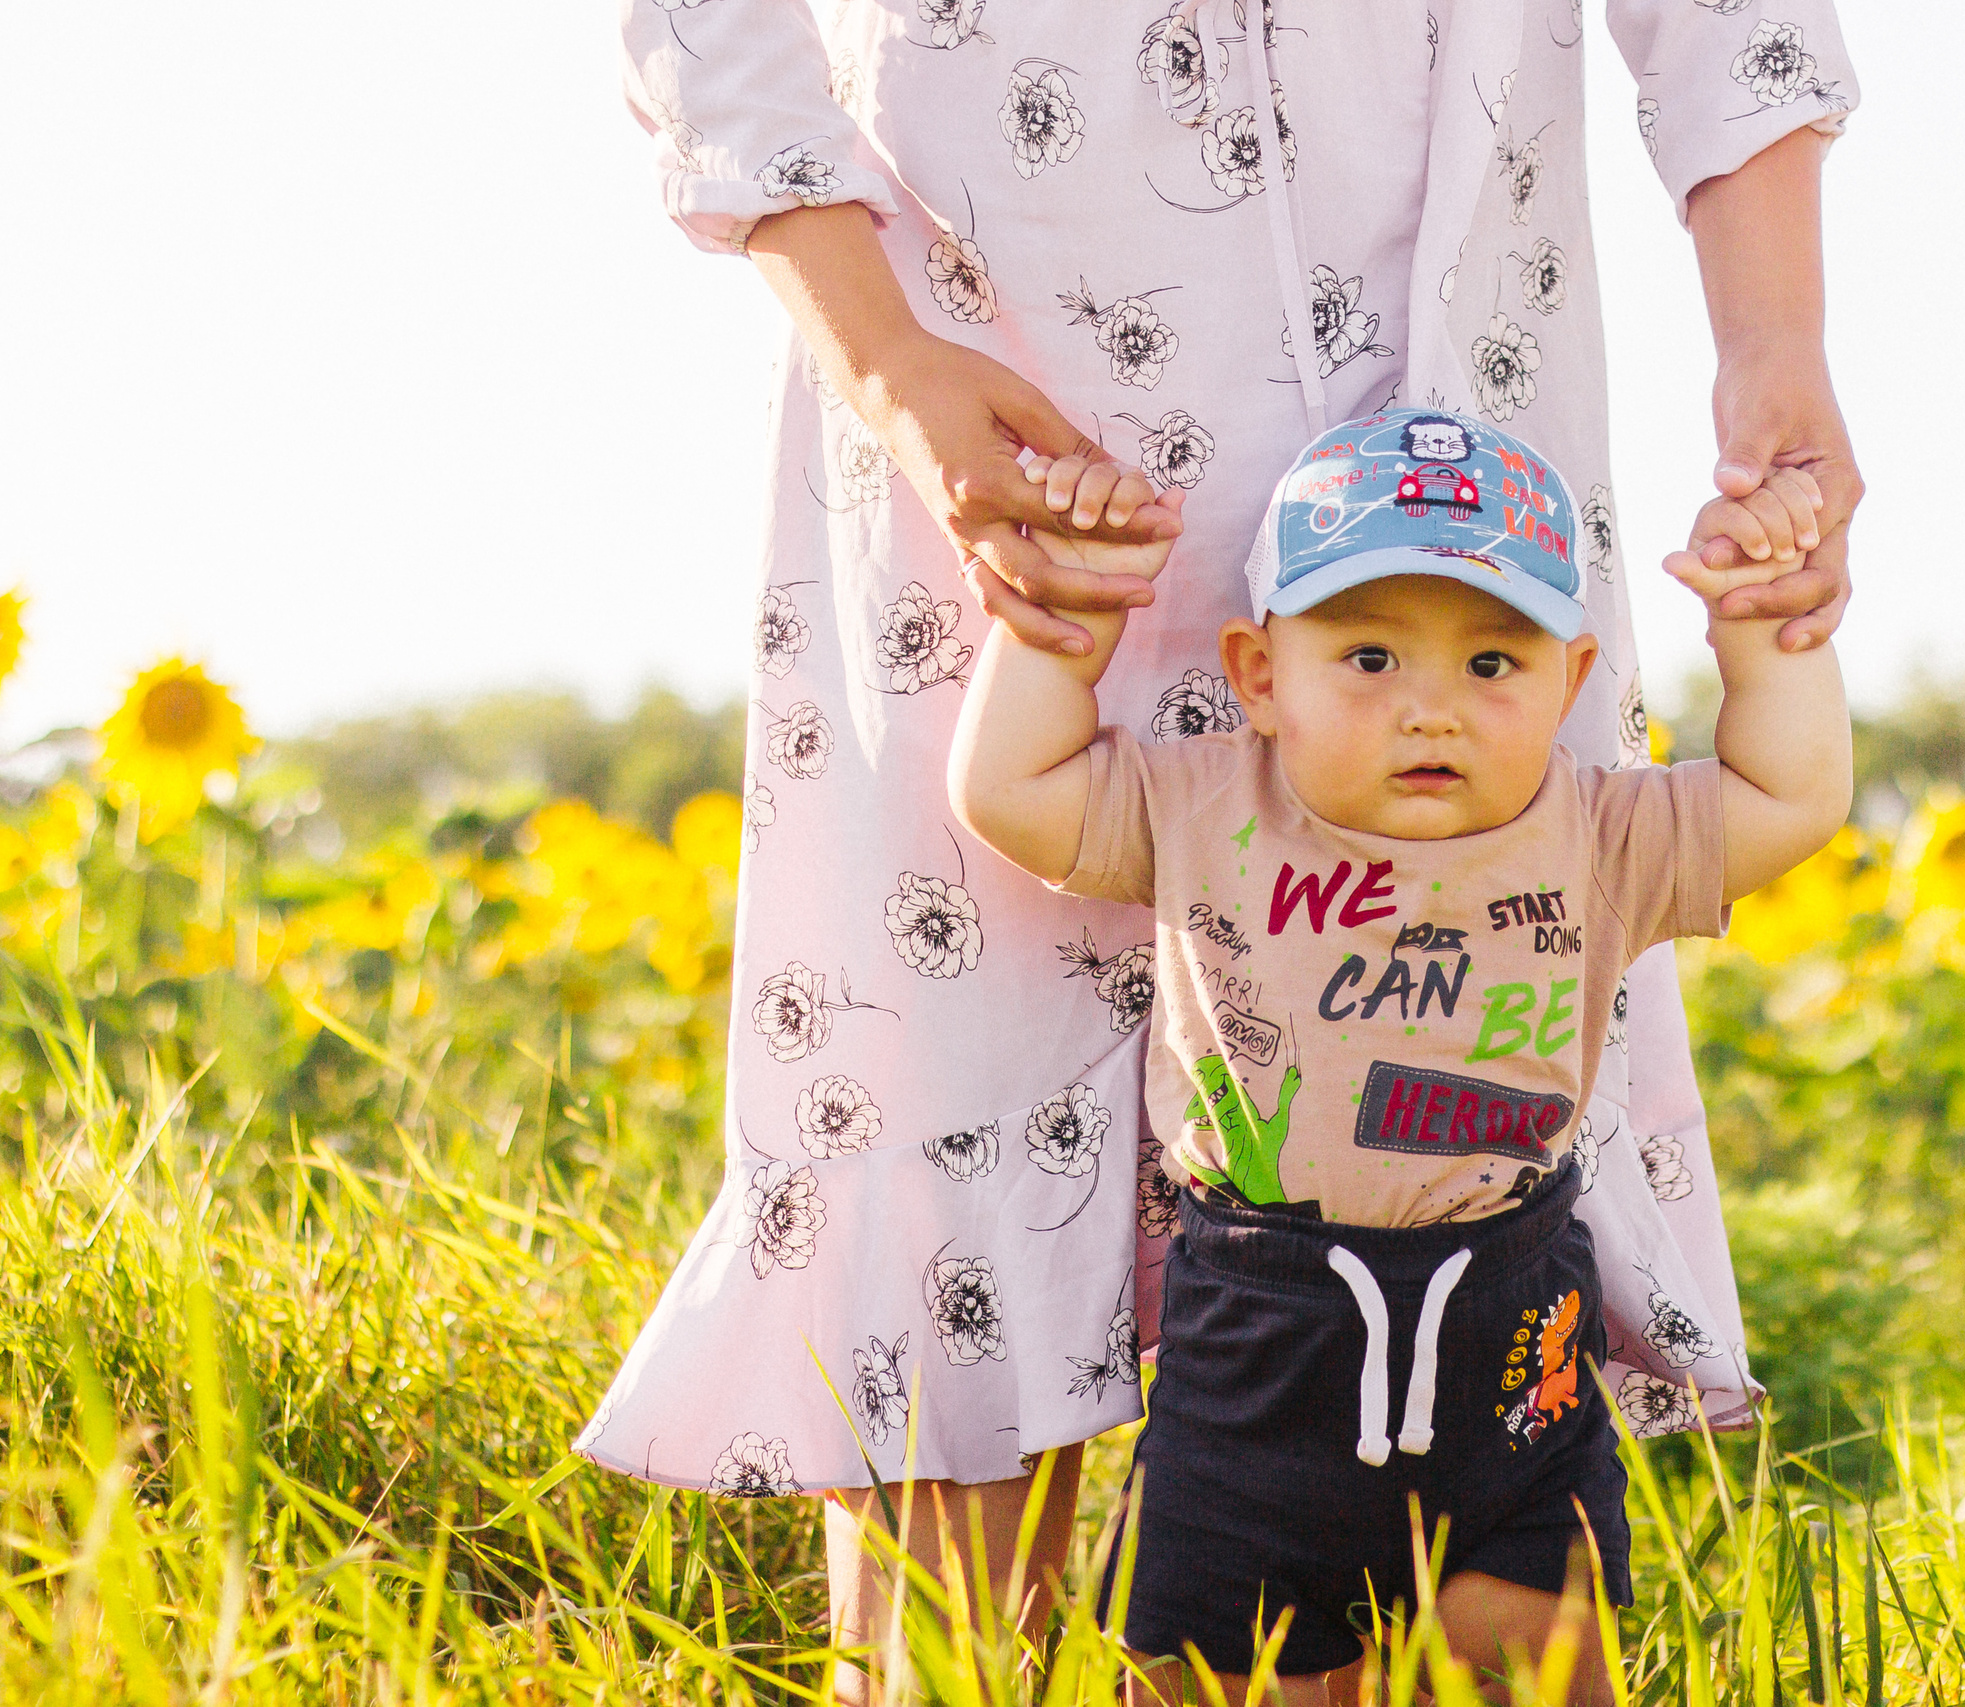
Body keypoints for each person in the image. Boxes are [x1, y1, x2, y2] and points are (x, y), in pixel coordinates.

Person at [585, 1, 1864, 1693]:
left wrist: (1775, 343)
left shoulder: (1502, 695)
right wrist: (884, 353)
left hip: (1452, 390)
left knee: (1425, 1139)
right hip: (1005, 356)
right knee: (964, 1094)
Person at [947, 407, 1852, 1701]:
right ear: (1261, 675)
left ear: (1570, 684)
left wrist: (1762, 644)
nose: (1433, 710)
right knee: (1216, 1675)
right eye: (1369, 656)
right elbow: (1010, 793)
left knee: (1541, 1662)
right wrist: (1060, 635)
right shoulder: (1204, 805)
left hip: (1511, 1335)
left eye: (1492, 664)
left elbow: (1790, 799)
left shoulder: (1600, 835)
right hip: (1259, 1345)